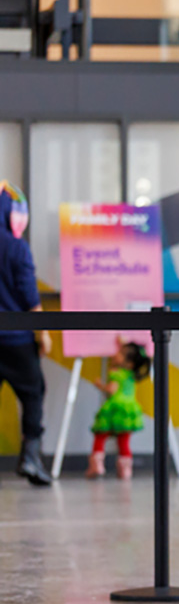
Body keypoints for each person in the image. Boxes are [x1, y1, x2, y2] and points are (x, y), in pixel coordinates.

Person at [0, 183, 51, 487]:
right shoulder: (16, 247)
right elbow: (29, 293)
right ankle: (30, 456)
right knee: (33, 393)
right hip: (17, 340)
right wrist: (42, 333)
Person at [87, 342, 151, 480]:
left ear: (129, 363)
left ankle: (96, 466)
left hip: (115, 407)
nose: (115, 354)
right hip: (128, 410)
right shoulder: (131, 374)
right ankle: (125, 470)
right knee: (124, 441)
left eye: (120, 353)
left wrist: (100, 386)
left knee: (100, 435)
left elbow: (111, 389)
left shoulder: (116, 373)